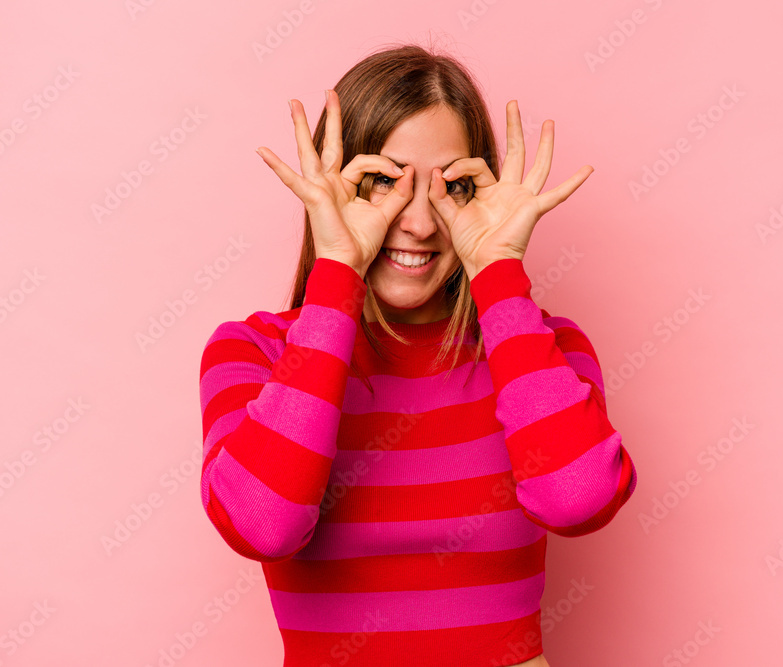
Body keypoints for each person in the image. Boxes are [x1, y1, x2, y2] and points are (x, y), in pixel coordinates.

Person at [198, 42, 637, 667]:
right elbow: (262, 525)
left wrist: (497, 270)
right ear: (333, 186)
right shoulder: (255, 352)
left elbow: (578, 501)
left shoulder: (544, 347)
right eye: (385, 182)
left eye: (451, 186)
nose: (422, 224)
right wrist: (338, 268)